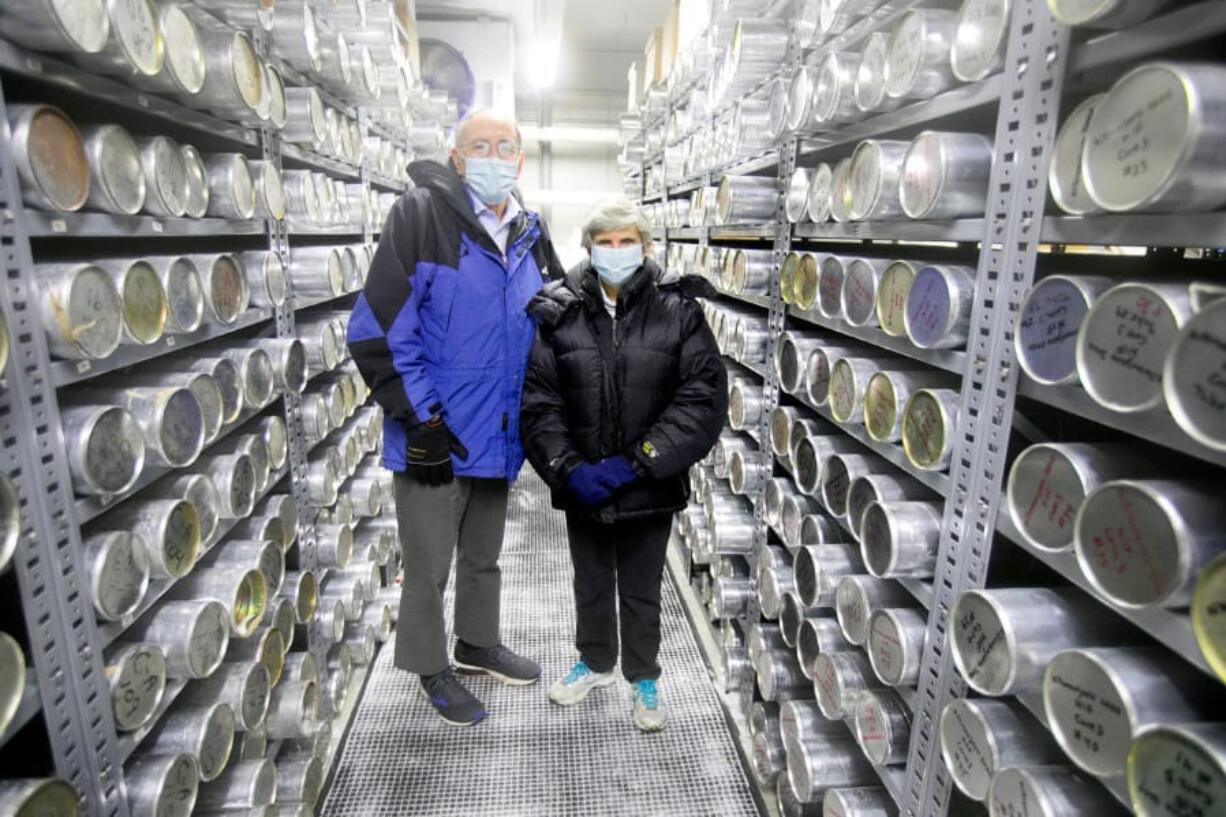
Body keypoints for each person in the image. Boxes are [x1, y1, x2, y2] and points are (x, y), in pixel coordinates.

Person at [347, 109, 565, 727]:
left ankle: (476, 644)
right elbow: (378, 328)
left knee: (484, 556)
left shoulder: (528, 228)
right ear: (458, 156)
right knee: (428, 567)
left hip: (497, 430)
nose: (496, 155)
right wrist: (421, 421)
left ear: (519, 161)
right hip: (435, 432)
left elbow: (548, 313)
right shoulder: (421, 216)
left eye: (507, 146)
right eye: (481, 145)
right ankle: (428, 665)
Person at [519, 199, 728, 732]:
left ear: (646, 246)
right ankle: (594, 662)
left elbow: (701, 397)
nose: (616, 251)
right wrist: (568, 469)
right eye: (605, 242)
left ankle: (644, 676)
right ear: (587, 248)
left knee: (642, 586)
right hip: (584, 483)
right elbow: (540, 402)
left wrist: (641, 462)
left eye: (626, 241)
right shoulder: (559, 312)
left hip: (647, 483)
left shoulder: (678, 309)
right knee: (589, 581)